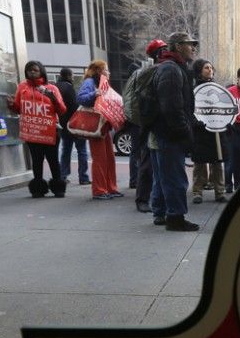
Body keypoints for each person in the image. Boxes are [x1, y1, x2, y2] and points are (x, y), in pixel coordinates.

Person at [149, 32, 200, 231]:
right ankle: (175, 218)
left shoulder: (172, 67)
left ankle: (164, 213)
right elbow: (171, 108)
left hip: (166, 134)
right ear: (178, 46)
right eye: (190, 44)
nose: (193, 48)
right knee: (175, 178)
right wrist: (185, 132)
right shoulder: (171, 70)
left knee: (165, 177)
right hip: (170, 136)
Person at [7, 61, 67, 198]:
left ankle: (58, 188)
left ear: (41, 71)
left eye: (35, 70)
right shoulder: (22, 87)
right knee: (37, 160)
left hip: (50, 130)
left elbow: (62, 110)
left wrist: (52, 98)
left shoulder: (52, 88)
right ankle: (38, 188)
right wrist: (11, 105)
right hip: (32, 130)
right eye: (29, 70)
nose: (32, 73)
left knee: (53, 159)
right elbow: (18, 109)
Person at [128, 39, 168, 213]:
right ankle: (143, 198)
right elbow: (134, 101)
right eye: (164, 50)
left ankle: (155, 198)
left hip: (158, 122)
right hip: (148, 122)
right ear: (158, 54)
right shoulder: (145, 73)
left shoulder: (163, 70)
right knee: (147, 163)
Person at [77, 60, 122, 201]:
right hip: (96, 125)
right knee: (100, 159)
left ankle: (109, 188)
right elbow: (81, 98)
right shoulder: (90, 83)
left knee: (108, 158)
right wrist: (94, 94)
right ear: (99, 71)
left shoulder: (99, 83)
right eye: (106, 69)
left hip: (103, 125)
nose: (108, 72)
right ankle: (100, 190)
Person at [190, 59, 228, 204]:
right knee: (199, 163)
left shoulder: (218, 89)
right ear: (199, 70)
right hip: (200, 130)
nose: (210, 70)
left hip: (217, 130)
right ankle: (197, 192)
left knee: (217, 162)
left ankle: (220, 191)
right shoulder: (193, 89)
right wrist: (195, 123)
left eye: (211, 68)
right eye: (206, 68)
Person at [56, 67, 91, 186]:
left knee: (66, 150)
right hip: (74, 124)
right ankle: (83, 177)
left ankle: (63, 175)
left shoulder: (56, 87)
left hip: (62, 125)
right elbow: (74, 106)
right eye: (72, 75)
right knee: (82, 150)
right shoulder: (69, 87)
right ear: (69, 76)